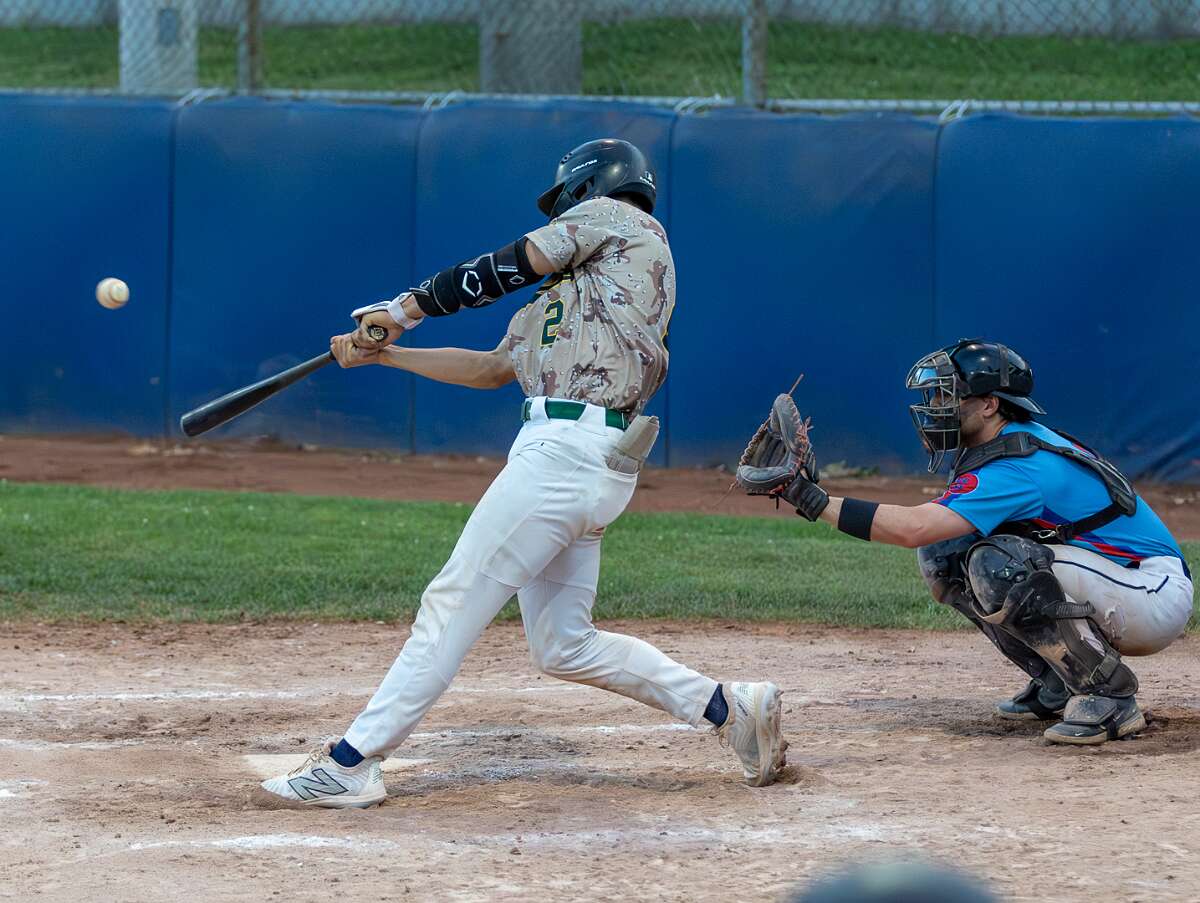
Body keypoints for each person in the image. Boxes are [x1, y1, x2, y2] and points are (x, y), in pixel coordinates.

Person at [258, 138, 787, 807]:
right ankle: (729, 708)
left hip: (564, 453)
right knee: (564, 644)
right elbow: (491, 368)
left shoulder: (620, 219)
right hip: (582, 457)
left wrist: (402, 310)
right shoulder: (572, 294)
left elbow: (506, 264)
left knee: (451, 602)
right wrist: (386, 355)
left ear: (588, 188)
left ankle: (350, 762)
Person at [768, 338, 1193, 745]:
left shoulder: (1017, 467)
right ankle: (1058, 678)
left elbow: (913, 527)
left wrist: (812, 500)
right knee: (947, 552)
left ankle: (1108, 694)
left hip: (1150, 591)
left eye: (948, 396)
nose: (937, 407)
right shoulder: (1005, 444)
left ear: (989, 404)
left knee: (1000, 563)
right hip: (1115, 580)